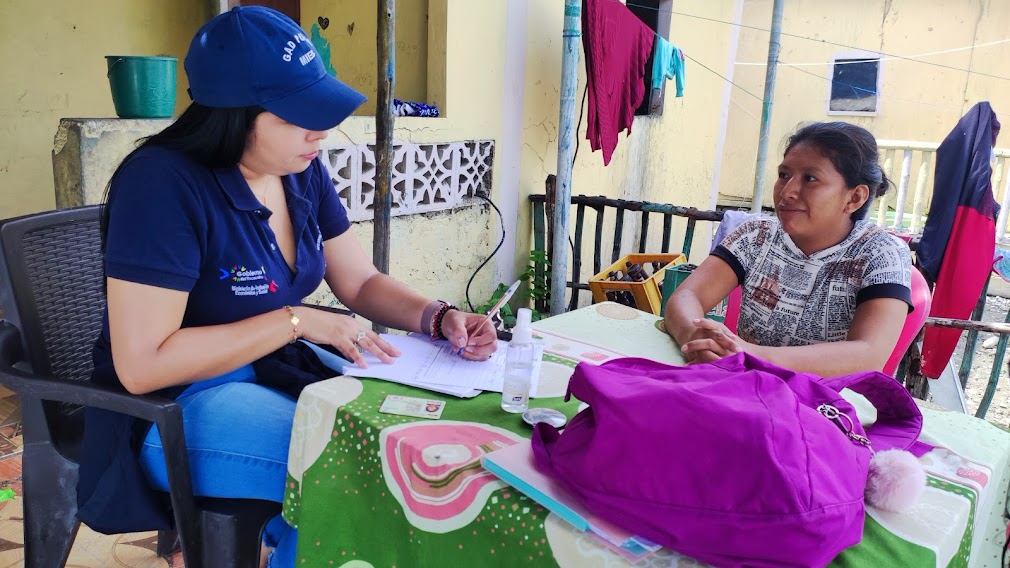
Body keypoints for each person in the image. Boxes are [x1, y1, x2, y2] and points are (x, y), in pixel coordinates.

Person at [75, 7, 498, 568]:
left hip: (273, 373)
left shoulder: (300, 168)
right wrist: (296, 321)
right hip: (173, 405)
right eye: (299, 113)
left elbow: (360, 281)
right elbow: (144, 365)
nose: (320, 130)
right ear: (234, 114)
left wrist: (437, 316)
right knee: (353, 468)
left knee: (414, 441)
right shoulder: (161, 184)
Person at [664, 122, 912, 377]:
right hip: (744, 384)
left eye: (811, 179)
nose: (787, 191)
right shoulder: (757, 235)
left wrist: (751, 356)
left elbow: (868, 354)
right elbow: (687, 296)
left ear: (854, 197)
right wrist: (696, 338)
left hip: (829, 398)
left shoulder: (881, 254)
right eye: (784, 175)